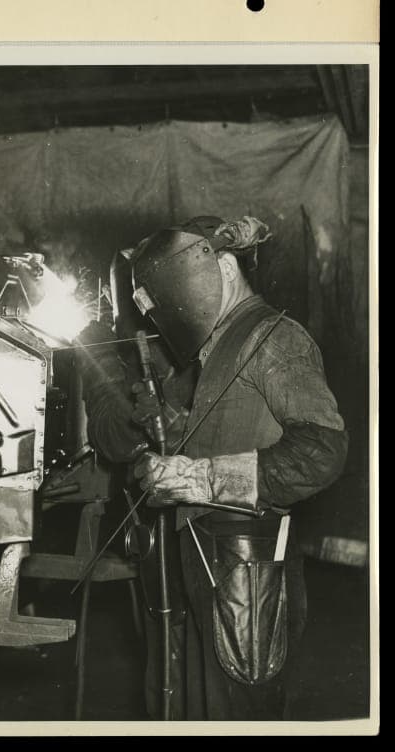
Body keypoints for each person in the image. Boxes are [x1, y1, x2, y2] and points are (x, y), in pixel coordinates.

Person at [75, 215, 348, 721]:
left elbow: (321, 451)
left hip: (248, 573)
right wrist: (164, 460)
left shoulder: (272, 337)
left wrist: (200, 479)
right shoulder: (210, 353)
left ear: (223, 267)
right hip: (203, 566)